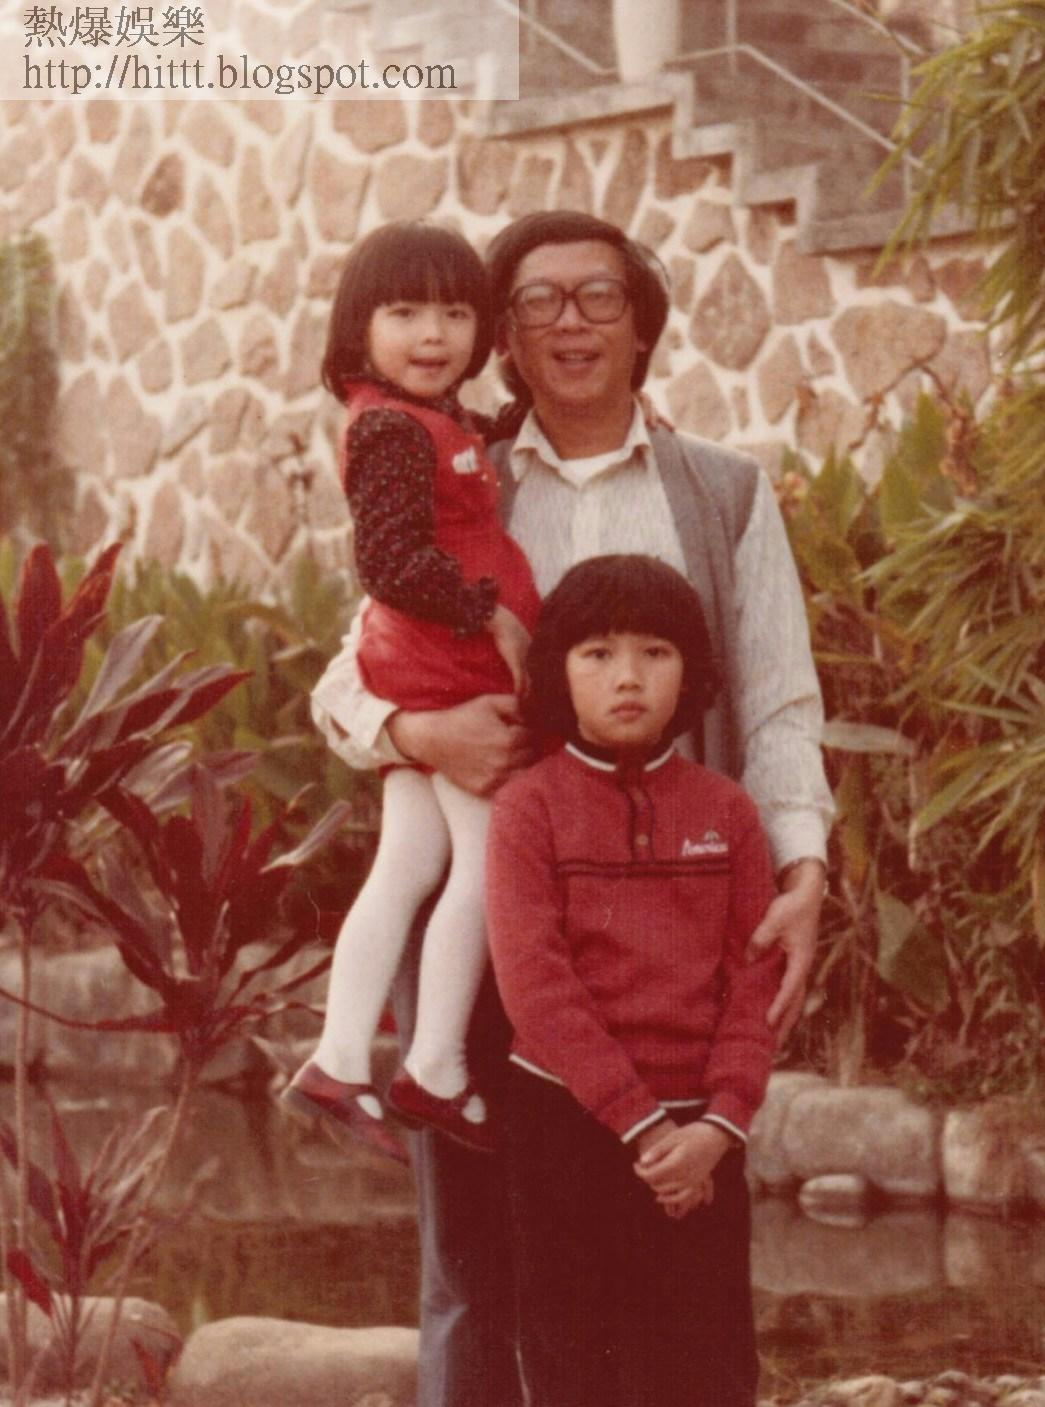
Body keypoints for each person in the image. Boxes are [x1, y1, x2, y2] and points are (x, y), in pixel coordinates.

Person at [310, 209, 832, 1407]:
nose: (571, 324)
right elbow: (350, 674)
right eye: (536, 301)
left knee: (672, 1241)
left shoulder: (722, 492)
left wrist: (803, 874)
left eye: (600, 296)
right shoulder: (451, 469)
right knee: (473, 1255)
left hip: (675, 929)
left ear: (644, 323)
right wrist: (416, 734)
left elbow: (780, 699)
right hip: (484, 910)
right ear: (502, 336)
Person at [488, 553, 781, 1407]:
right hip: (567, 1121)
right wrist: (644, 1126)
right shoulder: (529, 808)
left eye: (656, 652)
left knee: (708, 1367)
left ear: (690, 670)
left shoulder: (727, 812)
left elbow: (754, 981)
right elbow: (535, 987)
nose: (628, 677)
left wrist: (720, 1125)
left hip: (703, 1134)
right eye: (599, 654)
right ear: (559, 670)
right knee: (577, 1364)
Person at [284, 222, 541, 1162]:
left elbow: (466, 459)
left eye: (456, 313)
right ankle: (434, 1064)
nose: (433, 334)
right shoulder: (391, 429)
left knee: (406, 865)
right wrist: (490, 615)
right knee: (485, 865)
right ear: (360, 328)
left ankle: (339, 1057)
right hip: (449, 665)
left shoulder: (423, 417)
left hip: (423, 666)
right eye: (404, 313)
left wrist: (516, 420)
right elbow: (389, 560)